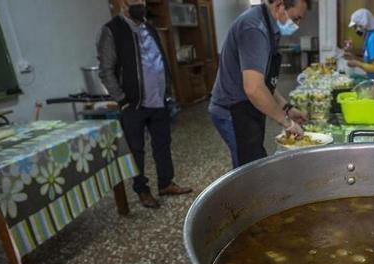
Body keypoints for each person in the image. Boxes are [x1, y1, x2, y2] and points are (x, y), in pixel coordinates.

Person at [97, 0, 192, 209]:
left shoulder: (148, 27)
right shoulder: (112, 30)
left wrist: (167, 90)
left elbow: (158, 60)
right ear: (123, 4)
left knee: (162, 144)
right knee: (136, 150)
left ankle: (166, 183)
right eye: (134, 1)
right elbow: (105, 70)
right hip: (134, 104)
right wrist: (122, 100)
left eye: (142, 0)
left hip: (158, 99)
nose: (140, 4)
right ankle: (142, 190)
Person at [209, 0, 309, 168]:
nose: (297, 25)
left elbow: (265, 83)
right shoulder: (254, 28)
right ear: (279, 6)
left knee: (254, 161)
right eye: (296, 18)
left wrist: (287, 108)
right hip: (233, 109)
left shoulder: (270, 27)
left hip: (247, 106)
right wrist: (286, 123)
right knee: (247, 169)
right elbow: (254, 88)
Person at [344, 9, 374, 79]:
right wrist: (354, 57)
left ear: (362, 26)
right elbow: (370, 61)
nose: (355, 30)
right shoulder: (371, 36)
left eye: (355, 27)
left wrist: (357, 64)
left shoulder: (373, 39)